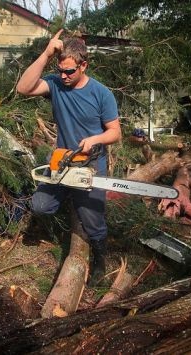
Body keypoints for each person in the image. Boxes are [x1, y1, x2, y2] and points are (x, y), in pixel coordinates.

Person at [16, 30, 121, 286]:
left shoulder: (101, 94)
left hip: (91, 162)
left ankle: (99, 260)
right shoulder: (55, 84)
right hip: (62, 160)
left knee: (94, 222)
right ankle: (72, 201)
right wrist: (46, 53)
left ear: (83, 65)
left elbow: (115, 132)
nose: (64, 76)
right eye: (60, 70)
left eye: (70, 72)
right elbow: (23, 87)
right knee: (41, 206)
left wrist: (94, 139)